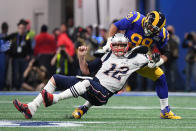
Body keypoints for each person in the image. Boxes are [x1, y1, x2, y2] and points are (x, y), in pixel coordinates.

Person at [13, 33, 150, 119]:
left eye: (122, 45)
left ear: (127, 46)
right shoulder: (106, 56)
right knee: (55, 78)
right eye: (117, 45)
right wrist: (81, 57)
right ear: (112, 46)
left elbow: (153, 59)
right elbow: (85, 70)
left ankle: (54, 99)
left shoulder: (136, 58)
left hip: (103, 94)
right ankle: (32, 107)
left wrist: (155, 58)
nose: (119, 48)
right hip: (92, 85)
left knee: (87, 82)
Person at [91, 11, 181, 119]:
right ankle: (83, 108)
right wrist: (108, 43)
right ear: (147, 19)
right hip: (122, 57)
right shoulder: (136, 18)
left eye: (154, 30)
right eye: (150, 27)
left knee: (160, 76)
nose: (151, 30)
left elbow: (166, 52)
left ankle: (165, 111)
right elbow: (115, 25)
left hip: (140, 60)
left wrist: (159, 62)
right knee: (108, 86)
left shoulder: (162, 34)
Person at [164, 25, 180, 91]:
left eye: (170, 30)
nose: (169, 32)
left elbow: (177, 43)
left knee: (173, 74)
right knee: (165, 74)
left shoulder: (175, 38)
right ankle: (166, 87)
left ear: (173, 31)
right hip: (166, 58)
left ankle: (173, 88)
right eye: (168, 30)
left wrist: (171, 37)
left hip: (173, 58)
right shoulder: (164, 38)